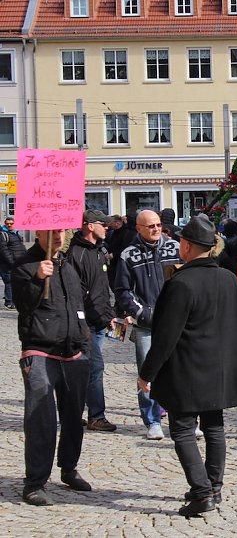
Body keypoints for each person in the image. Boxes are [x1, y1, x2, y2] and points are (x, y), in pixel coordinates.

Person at [138, 214, 237, 517]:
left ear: (186, 246)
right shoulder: (227, 278)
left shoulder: (181, 283)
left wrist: (147, 373)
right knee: (214, 426)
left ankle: (202, 493)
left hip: (188, 368)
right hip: (222, 366)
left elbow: (165, 336)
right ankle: (214, 486)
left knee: (183, 429)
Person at [14, 229, 93, 506]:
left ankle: (69, 468)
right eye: (52, 231)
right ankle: (35, 482)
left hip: (73, 353)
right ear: (39, 232)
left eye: (61, 230)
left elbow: (78, 304)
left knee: (74, 418)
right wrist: (36, 279)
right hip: (40, 351)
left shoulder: (67, 264)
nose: (58, 236)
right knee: (41, 420)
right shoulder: (25, 264)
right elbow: (22, 304)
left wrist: (85, 343)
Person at [113, 209, 181, 440]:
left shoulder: (175, 248)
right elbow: (122, 291)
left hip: (175, 323)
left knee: (179, 371)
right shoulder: (128, 255)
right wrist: (142, 313)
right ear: (139, 228)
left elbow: (186, 282)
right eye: (150, 226)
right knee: (147, 373)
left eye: (158, 225)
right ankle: (152, 421)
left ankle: (182, 420)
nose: (155, 229)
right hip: (146, 325)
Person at [66, 210, 118, 432]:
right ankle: (96, 416)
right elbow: (74, 293)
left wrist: (109, 315)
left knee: (84, 370)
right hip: (83, 323)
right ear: (88, 226)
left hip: (99, 321)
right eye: (102, 224)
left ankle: (73, 413)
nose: (106, 228)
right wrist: (80, 322)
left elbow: (101, 290)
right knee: (94, 368)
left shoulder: (99, 251)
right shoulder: (76, 254)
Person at [0, 216, 26, 309]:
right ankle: (9, 302)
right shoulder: (3, 234)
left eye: (11, 223)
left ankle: (15, 299)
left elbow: (20, 247)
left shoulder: (16, 233)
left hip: (18, 261)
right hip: (8, 264)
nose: (9, 225)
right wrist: (11, 261)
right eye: (7, 224)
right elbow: (4, 250)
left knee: (16, 281)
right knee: (9, 282)